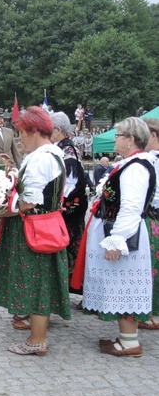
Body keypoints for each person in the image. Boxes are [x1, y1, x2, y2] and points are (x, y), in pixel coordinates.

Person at [71, 117, 156, 357]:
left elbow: (131, 207)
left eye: (118, 135)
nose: (115, 139)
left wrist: (117, 240)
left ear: (130, 140)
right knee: (119, 284)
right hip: (115, 229)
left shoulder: (136, 168)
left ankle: (129, 343)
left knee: (124, 284)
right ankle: (126, 338)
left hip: (123, 235)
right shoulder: (131, 164)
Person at [0, 106, 69, 356]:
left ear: (35, 131)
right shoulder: (53, 154)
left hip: (33, 230)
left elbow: (29, 202)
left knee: (36, 283)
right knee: (41, 282)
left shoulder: (40, 158)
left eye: (22, 133)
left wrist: (3, 208)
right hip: (45, 226)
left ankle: (37, 340)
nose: (19, 139)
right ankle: (37, 337)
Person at [50, 112, 88, 294]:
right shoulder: (62, 148)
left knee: (71, 248)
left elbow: (70, 184)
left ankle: (70, 287)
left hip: (70, 211)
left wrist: (55, 200)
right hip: (69, 209)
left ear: (58, 130)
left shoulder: (68, 151)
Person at [140, 118, 159, 330]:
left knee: (151, 267)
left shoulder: (152, 160)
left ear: (153, 136)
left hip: (153, 218)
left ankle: (151, 313)